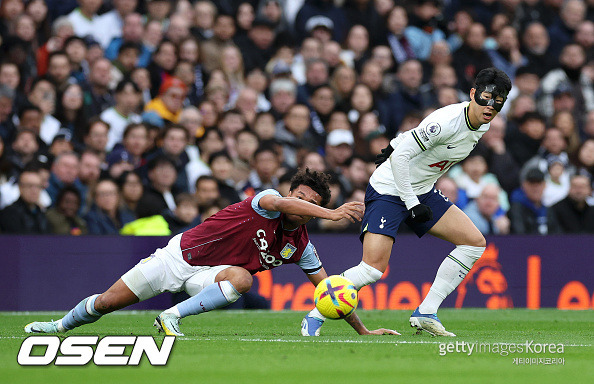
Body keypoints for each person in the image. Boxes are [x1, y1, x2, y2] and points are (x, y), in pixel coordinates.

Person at [24, 168, 397, 337]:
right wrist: (332, 212)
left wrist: (362, 330)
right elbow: (280, 200)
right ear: (288, 195)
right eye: (298, 197)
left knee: (242, 279)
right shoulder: (266, 201)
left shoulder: (301, 247)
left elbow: (329, 290)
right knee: (106, 303)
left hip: (209, 277)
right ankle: (58, 327)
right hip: (178, 258)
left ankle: (171, 317)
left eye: (309, 202)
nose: (299, 204)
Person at [302, 67, 512, 337]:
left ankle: (426, 312)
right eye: (486, 97)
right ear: (473, 94)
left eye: (499, 101)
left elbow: (416, 134)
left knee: (474, 243)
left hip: (421, 190)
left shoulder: (483, 123)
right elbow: (401, 159)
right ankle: (314, 316)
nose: (491, 106)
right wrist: (411, 201)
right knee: (372, 270)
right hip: (390, 189)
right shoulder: (447, 121)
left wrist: (396, 142)